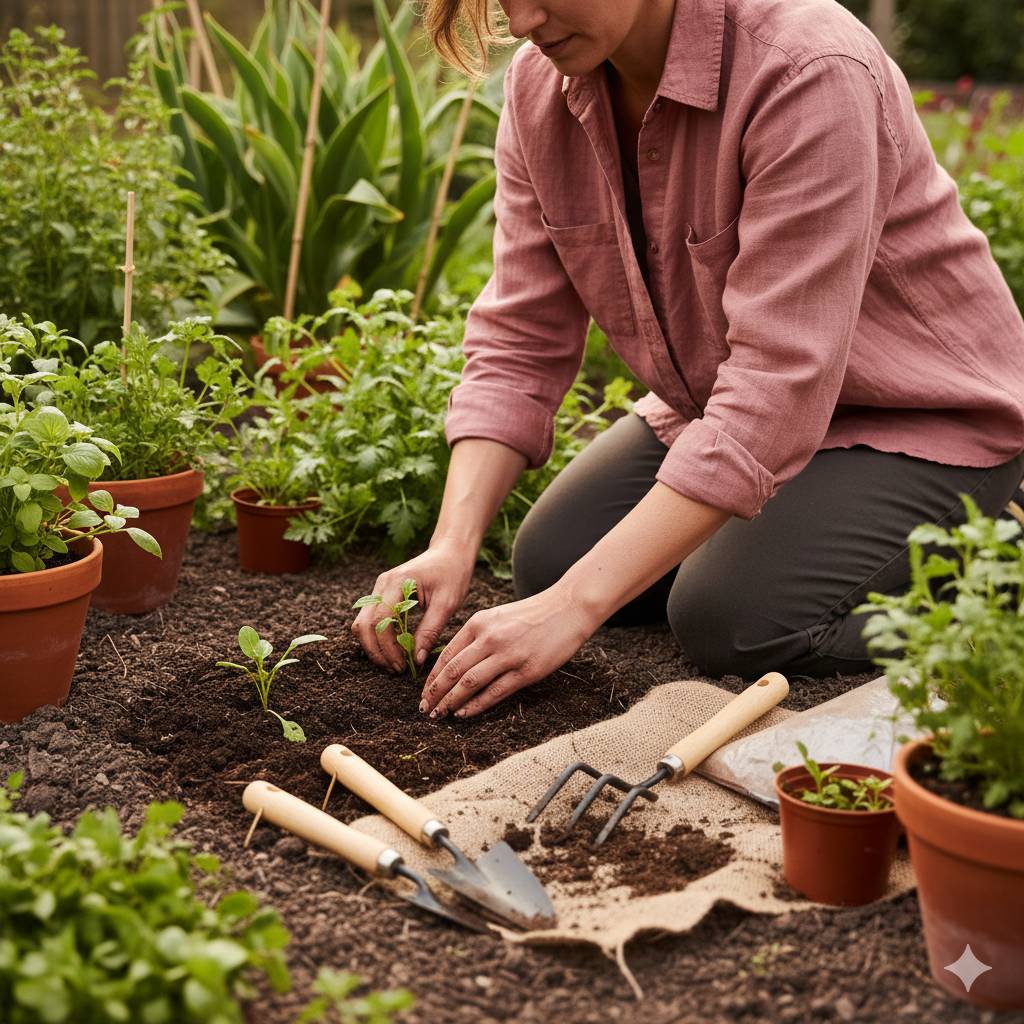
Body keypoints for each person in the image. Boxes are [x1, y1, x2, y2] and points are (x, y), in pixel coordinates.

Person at [352, 0, 1024, 720]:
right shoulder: (541, 88)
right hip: (723, 407)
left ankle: (1001, 559)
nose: (520, 21)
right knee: (548, 560)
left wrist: (574, 609)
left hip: (923, 419)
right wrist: (450, 546)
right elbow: (519, 339)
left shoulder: (807, 68)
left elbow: (774, 388)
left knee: (731, 619)